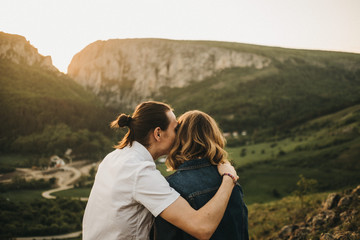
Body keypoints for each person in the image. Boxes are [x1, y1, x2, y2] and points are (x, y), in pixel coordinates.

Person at [82, 101, 239, 240]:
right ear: (158, 133)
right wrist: (228, 177)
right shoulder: (140, 172)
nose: (180, 136)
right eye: (176, 130)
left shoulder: (113, 158)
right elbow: (201, 228)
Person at [155, 110, 249, 240]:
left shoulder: (170, 187)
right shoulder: (231, 181)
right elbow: (241, 233)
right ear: (214, 137)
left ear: (179, 139)